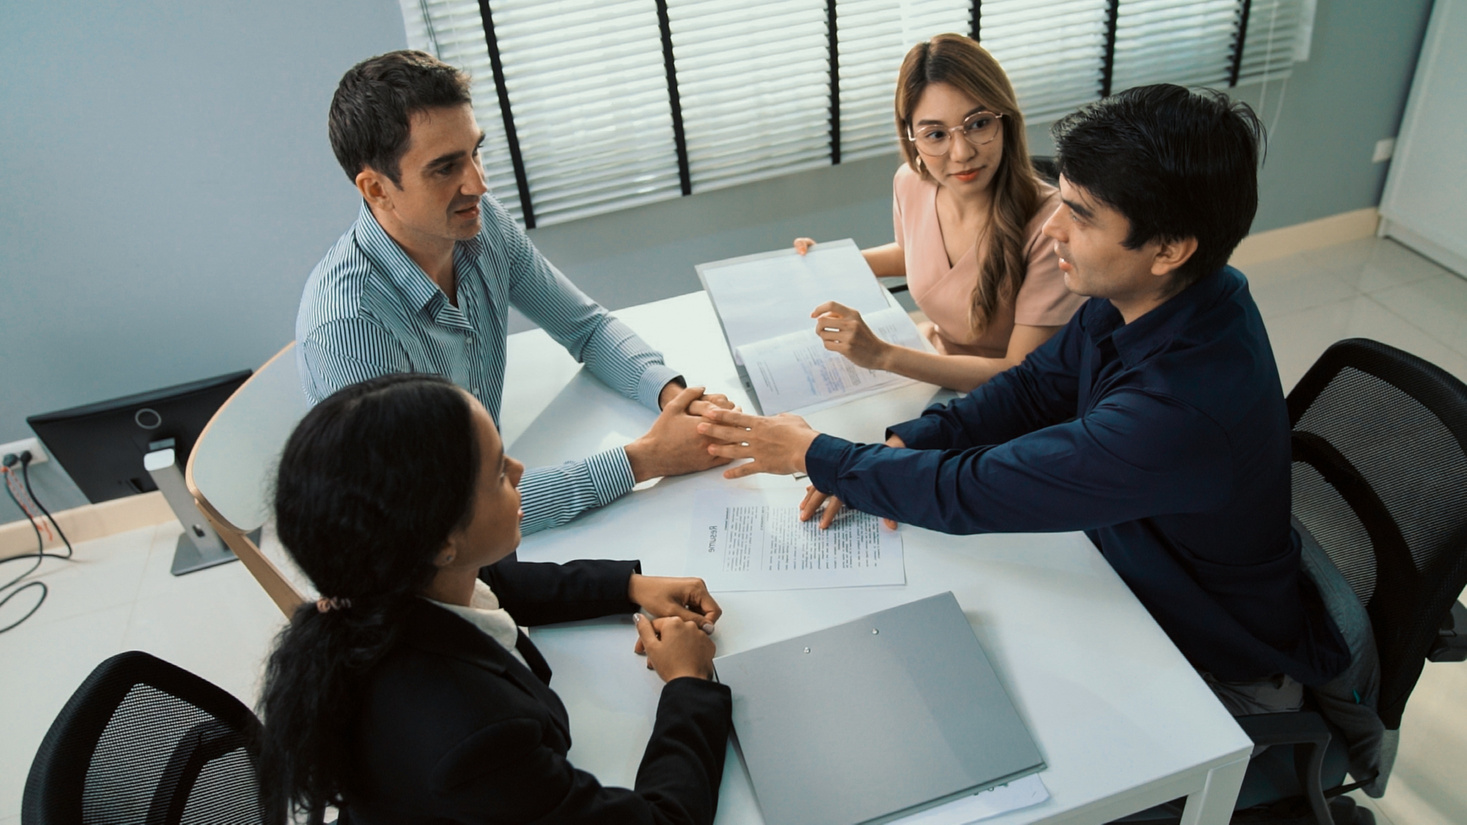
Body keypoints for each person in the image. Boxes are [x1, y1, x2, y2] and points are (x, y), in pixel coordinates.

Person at [700, 85, 1350, 714]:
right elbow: (1036, 385)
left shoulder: (1175, 414)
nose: (1053, 229)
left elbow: (974, 489)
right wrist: (905, 443)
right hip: (1130, 566)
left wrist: (819, 454)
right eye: (1060, 200)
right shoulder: (1167, 292)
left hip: (1207, 657)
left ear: (1169, 248)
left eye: (1081, 214)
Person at [257, 373, 732, 824]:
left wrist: (627, 587)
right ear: (443, 543)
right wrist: (687, 683)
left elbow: (493, 585)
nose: (521, 471)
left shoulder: (386, 586)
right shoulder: (473, 738)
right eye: (499, 473)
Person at [297, 50, 731, 535]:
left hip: (500, 505)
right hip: (430, 556)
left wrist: (674, 397)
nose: (478, 185)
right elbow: (450, 513)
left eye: (475, 152)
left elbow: (586, 328)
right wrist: (646, 459)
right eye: (445, 169)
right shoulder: (352, 325)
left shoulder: (480, 226)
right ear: (376, 189)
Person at [793, 34, 1084, 392]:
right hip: (931, 361)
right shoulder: (910, 183)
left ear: (1005, 121)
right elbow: (914, 252)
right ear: (910, 137)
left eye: (978, 124)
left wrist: (882, 355)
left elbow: (1019, 374)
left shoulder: (1052, 226)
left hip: (1002, 399)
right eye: (935, 134)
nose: (961, 153)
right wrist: (828, 262)